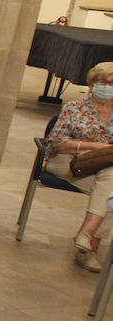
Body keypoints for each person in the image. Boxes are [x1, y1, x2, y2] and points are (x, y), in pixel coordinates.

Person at [48, 60, 113, 271]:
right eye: (103, 81)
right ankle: (89, 244)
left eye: (112, 83)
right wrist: (90, 147)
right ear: (92, 84)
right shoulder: (73, 108)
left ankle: (86, 236)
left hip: (104, 167)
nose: (107, 87)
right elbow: (56, 143)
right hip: (68, 161)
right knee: (110, 193)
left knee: (110, 183)